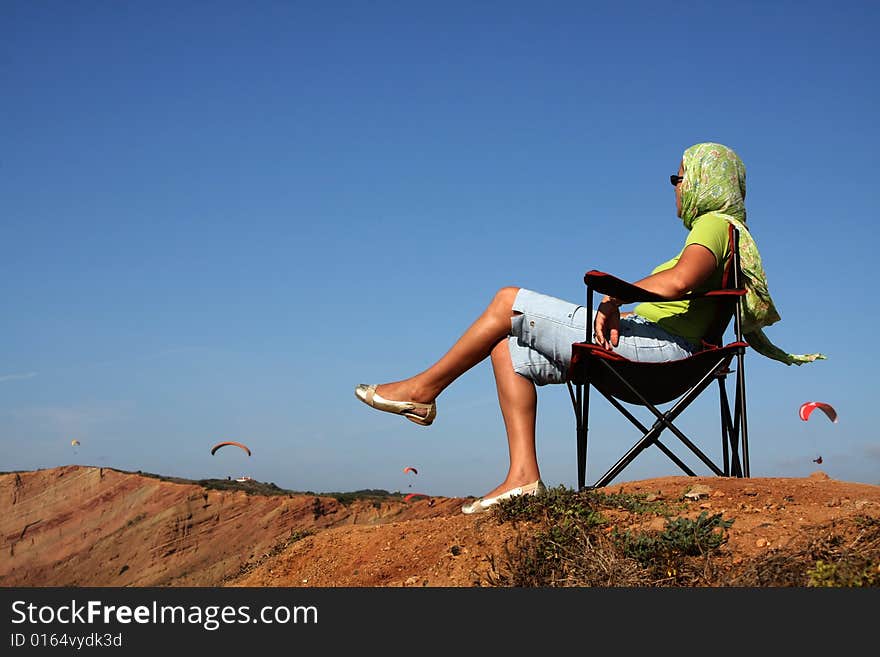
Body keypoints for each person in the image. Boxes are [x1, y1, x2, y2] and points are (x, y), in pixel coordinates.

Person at [355, 142, 824, 514]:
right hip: (675, 360)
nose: (675, 187)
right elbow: (689, 285)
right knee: (507, 349)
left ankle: (422, 391)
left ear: (704, 180)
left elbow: (682, 279)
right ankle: (523, 477)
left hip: (658, 355)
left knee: (507, 301)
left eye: (678, 177)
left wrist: (616, 296)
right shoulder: (728, 232)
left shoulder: (714, 226)